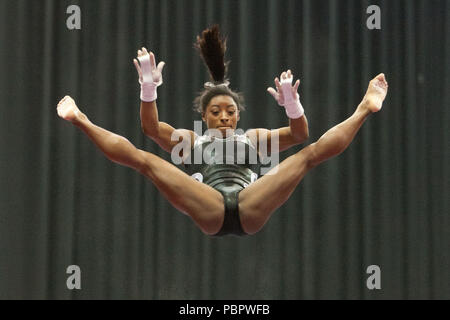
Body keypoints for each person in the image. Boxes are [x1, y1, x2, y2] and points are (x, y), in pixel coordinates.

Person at [57, 25, 388, 237]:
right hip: (211, 205)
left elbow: (299, 135)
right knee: (145, 162)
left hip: (249, 202)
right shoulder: (191, 140)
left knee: (308, 157)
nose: (224, 117)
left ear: (239, 115)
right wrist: (148, 90)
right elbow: (150, 128)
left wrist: (293, 107)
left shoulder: (253, 139)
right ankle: (81, 120)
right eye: (216, 112)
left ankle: (363, 108)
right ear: (204, 115)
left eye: (230, 111)